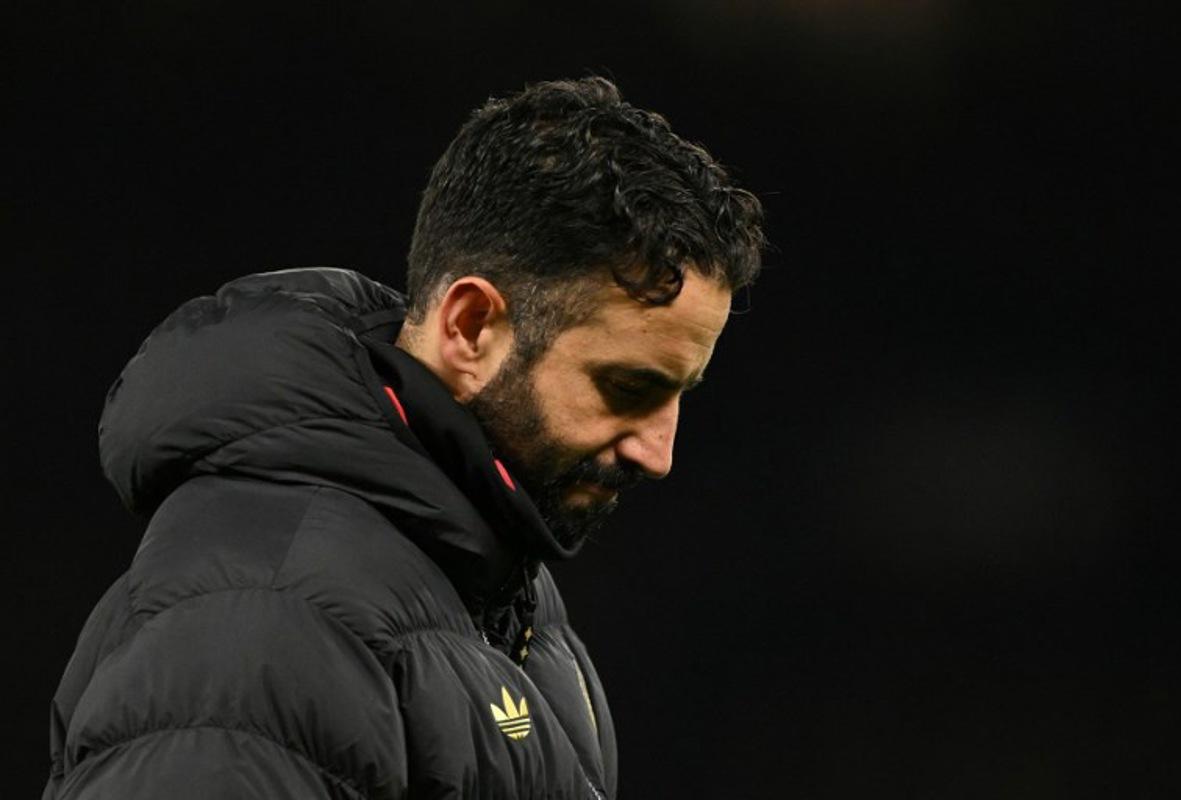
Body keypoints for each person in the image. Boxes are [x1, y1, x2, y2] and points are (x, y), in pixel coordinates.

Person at [43, 77, 763, 799]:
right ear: (470, 328)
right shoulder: (264, 611)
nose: (659, 454)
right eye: (628, 388)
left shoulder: (503, 592)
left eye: (679, 395)